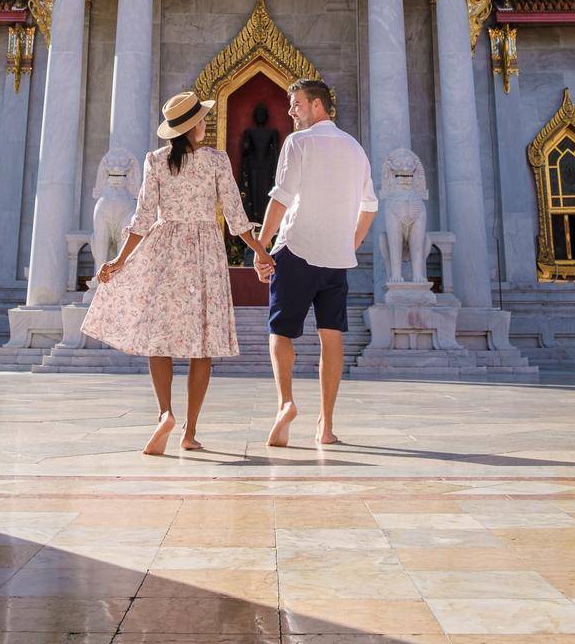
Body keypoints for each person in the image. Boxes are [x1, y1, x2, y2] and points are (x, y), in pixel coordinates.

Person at [81, 90, 273, 456]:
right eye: (200, 119)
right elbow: (235, 217)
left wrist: (119, 261)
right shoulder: (215, 161)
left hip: (165, 248)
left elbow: (141, 220)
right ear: (191, 127)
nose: (204, 123)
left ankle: (164, 413)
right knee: (202, 346)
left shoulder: (155, 161)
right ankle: (190, 432)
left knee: (160, 338)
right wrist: (262, 252)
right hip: (204, 251)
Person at [253, 78, 378, 447]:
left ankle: (286, 403)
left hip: (297, 251)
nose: (290, 111)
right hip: (335, 260)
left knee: (280, 332)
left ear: (318, 106)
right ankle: (326, 426)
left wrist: (261, 246)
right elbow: (369, 206)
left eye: (296, 104)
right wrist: (349, 243)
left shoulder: (299, 142)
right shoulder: (355, 149)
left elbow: (281, 198)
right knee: (332, 335)